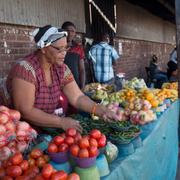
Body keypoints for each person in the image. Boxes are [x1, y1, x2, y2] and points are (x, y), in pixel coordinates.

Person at [5, 25, 119, 132]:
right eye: (59, 49)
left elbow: (78, 97)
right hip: (25, 134)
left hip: (49, 129)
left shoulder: (61, 69)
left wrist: (100, 110)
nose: (64, 53)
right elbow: (26, 111)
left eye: (66, 48)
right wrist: (60, 122)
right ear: (44, 48)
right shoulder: (26, 69)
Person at [62, 21, 85, 89]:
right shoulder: (57, 47)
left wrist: (82, 87)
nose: (70, 33)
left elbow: (82, 69)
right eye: (67, 30)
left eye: (72, 31)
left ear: (75, 33)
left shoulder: (78, 48)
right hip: (59, 84)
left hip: (75, 84)